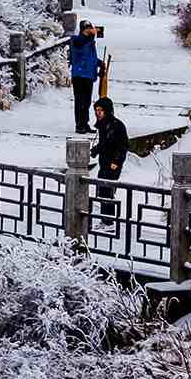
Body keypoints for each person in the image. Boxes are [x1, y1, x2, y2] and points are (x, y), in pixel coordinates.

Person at [91, 97, 129, 230]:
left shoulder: (116, 125)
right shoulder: (103, 125)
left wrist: (116, 162)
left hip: (112, 164)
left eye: (100, 110)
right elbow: (104, 144)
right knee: (102, 190)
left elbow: (122, 146)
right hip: (104, 162)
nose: (98, 113)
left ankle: (109, 221)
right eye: (96, 110)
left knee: (108, 190)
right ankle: (105, 219)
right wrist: (95, 150)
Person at [68, 20, 101, 134]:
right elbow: (80, 45)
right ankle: (79, 125)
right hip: (79, 75)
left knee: (86, 102)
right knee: (80, 101)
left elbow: (90, 58)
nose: (89, 30)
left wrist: (99, 63)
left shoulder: (90, 42)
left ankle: (85, 123)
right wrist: (88, 36)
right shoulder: (77, 40)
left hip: (88, 75)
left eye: (90, 28)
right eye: (87, 28)